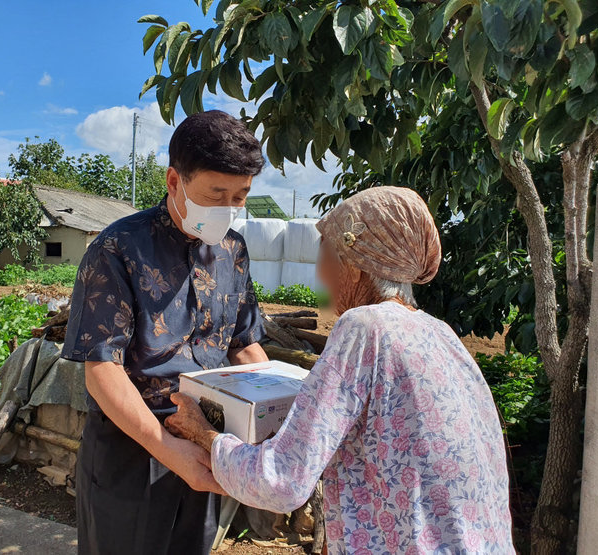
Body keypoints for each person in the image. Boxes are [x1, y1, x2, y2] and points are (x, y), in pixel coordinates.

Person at [166, 186, 515, 554]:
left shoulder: (366, 328)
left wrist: (205, 434)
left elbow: (282, 480)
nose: (319, 272)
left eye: (325, 254)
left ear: (354, 262)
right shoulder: (441, 335)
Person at [62, 110, 270, 555]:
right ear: (174, 181)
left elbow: (245, 345)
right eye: (216, 194)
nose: (229, 209)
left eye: (240, 196)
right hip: (132, 446)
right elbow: (102, 369)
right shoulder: (117, 248)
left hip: (206, 438)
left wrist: (276, 413)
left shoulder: (234, 251)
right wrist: (168, 451)